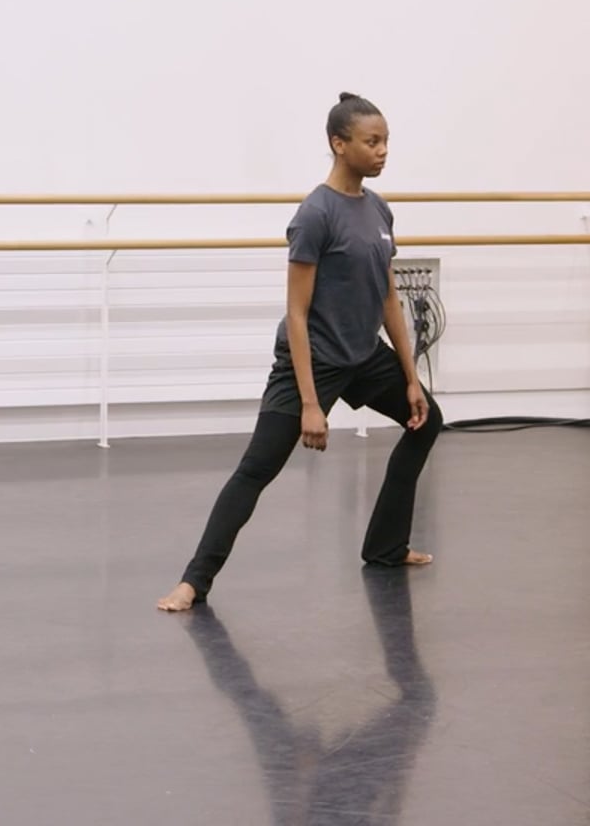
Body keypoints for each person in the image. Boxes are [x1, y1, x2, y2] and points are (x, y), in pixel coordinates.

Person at [156, 92, 444, 612]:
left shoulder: (378, 209)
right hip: (311, 359)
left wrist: (409, 376)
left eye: (386, 142)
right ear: (339, 144)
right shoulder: (316, 214)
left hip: (363, 355)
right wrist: (311, 404)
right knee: (257, 468)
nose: (383, 152)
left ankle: (385, 547)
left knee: (427, 420)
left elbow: (388, 299)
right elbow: (296, 313)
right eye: (371, 142)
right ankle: (194, 582)